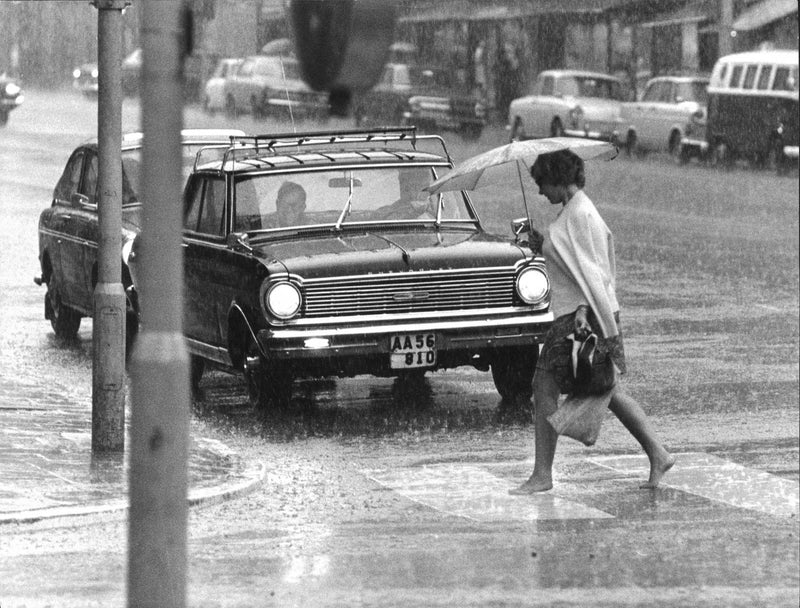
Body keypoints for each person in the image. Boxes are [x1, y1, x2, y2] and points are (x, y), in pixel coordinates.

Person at [510, 149, 674, 494]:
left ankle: (542, 475)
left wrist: (585, 312)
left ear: (558, 179)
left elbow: (594, 273)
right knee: (605, 388)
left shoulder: (580, 214)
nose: (541, 192)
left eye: (543, 183)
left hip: (579, 316)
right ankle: (658, 453)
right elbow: (574, 264)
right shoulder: (574, 211)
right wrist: (544, 246)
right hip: (581, 313)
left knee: (545, 389)